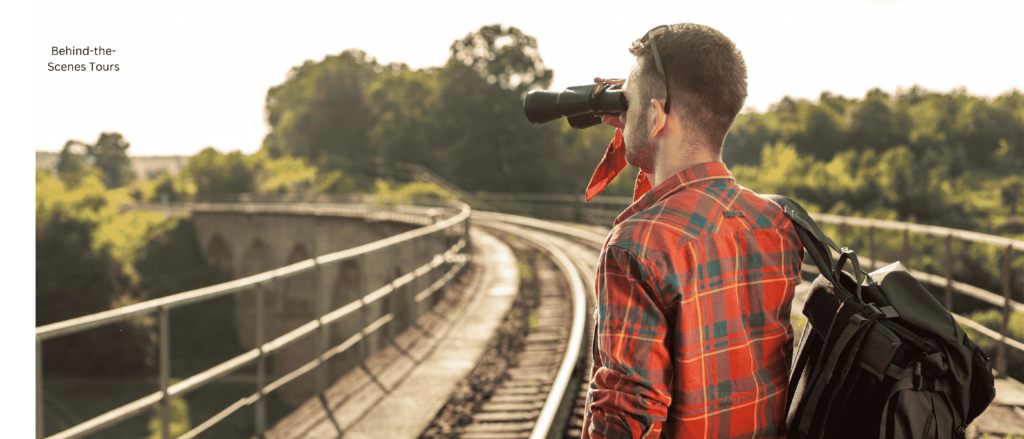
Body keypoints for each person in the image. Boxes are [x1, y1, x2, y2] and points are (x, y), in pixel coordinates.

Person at [580, 23, 805, 439]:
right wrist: (642, 113)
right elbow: (682, 204)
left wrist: (640, 123)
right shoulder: (774, 222)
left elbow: (626, 419)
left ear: (655, 114)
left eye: (629, 106)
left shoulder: (637, 247)